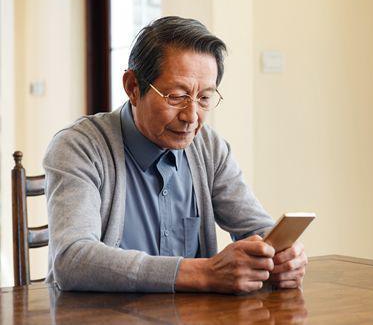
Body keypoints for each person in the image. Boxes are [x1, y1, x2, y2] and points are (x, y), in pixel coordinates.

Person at [43, 16, 307, 293]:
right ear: (133, 87)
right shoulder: (79, 147)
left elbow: (257, 229)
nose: (191, 117)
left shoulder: (209, 147)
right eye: (177, 96)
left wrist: (282, 257)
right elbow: (73, 259)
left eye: (205, 98)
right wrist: (204, 273)